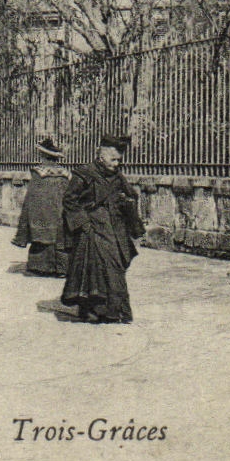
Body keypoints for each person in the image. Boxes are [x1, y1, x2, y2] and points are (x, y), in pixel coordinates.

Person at [57, 134, 144, 324]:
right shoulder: (84, 174)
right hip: (91, 229)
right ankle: (92, 308)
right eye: (113, 160)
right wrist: (84, 224)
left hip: (114, 228)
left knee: (116, 267)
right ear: (101, 156)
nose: (116, 164)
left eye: (119, 160)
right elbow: (69, 201)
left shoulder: (118, 177)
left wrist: (126, 202)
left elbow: (132, 196)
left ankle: (114, 310)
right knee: (91, 270)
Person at [12, 137, 72, 276]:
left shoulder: (39, 173)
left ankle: (41, 268)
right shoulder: (65, 174)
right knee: (60, 237)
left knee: (42, 236)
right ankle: (62, 269)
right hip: (61, 214)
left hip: (43, 214)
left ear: (44, 156)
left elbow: (32, 198)